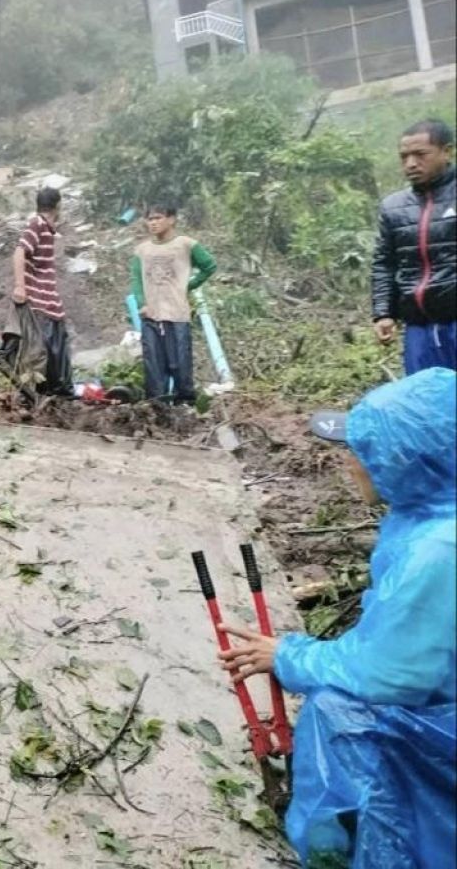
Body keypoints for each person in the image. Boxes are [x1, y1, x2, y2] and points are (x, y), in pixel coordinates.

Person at [218, 367, 456, 868]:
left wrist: (289, 655)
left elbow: (391, 674)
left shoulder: (437, 550)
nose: (349, 463)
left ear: (406, 459)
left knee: (336, 715)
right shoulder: (424, 513)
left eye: (361, 451)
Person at [371, 118, 456, 373]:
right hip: (418, 327)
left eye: (421, 154)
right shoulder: (393, 207)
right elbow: (384, 263)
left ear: (447, 151)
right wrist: (383, 313)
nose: (411, 163)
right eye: (404, 156)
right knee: (425, 403)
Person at [130, 202, 216, 403]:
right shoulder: (141, 250)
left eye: (158, 218)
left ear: (171, 219)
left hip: (177, 314)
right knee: (153, 364)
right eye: (150, 219)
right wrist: (142, 303)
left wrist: (189, 285)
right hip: (151, 315)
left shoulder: (186, 244)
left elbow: (209, 266)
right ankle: (157, 406)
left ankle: (184, 404)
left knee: (180, 363)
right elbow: (136, 279)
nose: (153, 223)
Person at [5, 187, 72, 396]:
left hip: (48, 303)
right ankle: (42, 395)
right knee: (42, 352)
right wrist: (20, 286)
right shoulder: (38, 224)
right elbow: (19, 252)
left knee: (54, 352)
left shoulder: (46, 228)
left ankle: (53, 394)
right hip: (39, 302)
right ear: (58, 206)